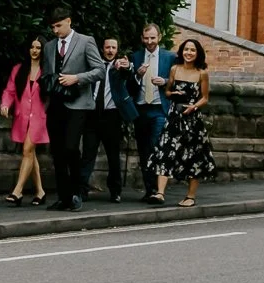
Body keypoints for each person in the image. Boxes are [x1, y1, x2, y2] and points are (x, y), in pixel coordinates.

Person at [40, 6, 99, 212]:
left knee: (71, 148)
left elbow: (99, 70)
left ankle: (77, 192)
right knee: (57, 153)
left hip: (78, 103)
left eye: (59, 26)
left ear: (69, 21)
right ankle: (63, 197)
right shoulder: (49, 47)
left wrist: (77, 78)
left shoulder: (86, 41)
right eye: (53, 27)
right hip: (56, 103)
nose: (55, 31)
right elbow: (47, 73)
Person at [147, 38, 216, 207]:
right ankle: (160, 193)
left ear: (198, 53)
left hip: (192, 120)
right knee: (165, 151)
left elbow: (205, 98)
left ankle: (190, 196)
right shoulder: (174, 69)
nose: (189, 53)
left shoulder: (202, 73)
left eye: (192, 50)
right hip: (173, 117)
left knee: (194, 156)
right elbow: (168, 91)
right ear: (181, 52)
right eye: (186, 50)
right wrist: (173, 93)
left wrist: (193, 107)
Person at [116, 23, 175, 204]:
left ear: (160, 37)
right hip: (140, 109)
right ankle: (149, 190)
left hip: (159, 109)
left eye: (153, 38)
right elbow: (129, 87)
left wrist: (164, 81)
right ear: (142, 38)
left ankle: (159, 189)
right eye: (146, 38)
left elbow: (177, 81)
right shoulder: (135, 56)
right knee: (143, 151)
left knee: (156, 147)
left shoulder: (170, 57)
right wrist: (137, 75)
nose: (150, 42)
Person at [0, 38, 48, 206]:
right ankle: (40, 191)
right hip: (23, 116)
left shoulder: (47, 70)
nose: (34, 50)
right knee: (30, 153)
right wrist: (5, 104)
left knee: (27, 150)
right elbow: (10, 91)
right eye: (32, 47)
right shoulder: (19, 69)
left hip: (40, 117)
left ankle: (17, 191)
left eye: (38, 48)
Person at [85, 37, 133, 201]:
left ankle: (115, 191)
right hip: (92, 114)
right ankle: (81, 189)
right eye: (108, 47)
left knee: (113, 156)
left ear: (117, 50)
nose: (110, 50)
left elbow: (129, 73)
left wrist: (127, 67)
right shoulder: (94, 65)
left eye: (113, 47)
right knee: (88, 154)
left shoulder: (119, 67)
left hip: (112, 116)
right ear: (102, 49)